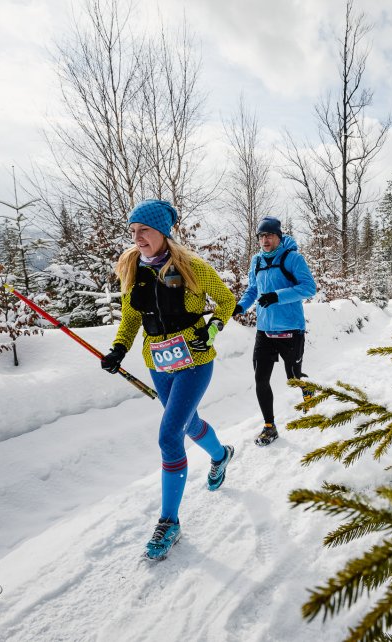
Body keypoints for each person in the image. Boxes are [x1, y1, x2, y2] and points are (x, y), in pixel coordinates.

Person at [100, 199, 237, 560]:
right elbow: (130, 319)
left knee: (168, 434)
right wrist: (117, 349)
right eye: (133, 231)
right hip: (158, 363)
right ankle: (221, 455)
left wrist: (212, 330)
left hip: (195, 361)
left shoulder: (192, 267)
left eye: (144, 230)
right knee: (188, 424)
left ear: (162, 231)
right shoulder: (133, 268)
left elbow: (226, 302)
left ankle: (169, 521)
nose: (137, 237)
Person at [235, 216, 317, 446]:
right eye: (261, 236)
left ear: (279, 237)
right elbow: (253, 289)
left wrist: (278, 296)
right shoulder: (257, 261)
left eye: (269, 235)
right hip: (264, 331)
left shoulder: (293, 258)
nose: (265, 240)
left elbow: (309, 288)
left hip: (291, 329)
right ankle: (269, 426)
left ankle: (306, 387)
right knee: (261, 379)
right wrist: (240, 306)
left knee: (293, 378)